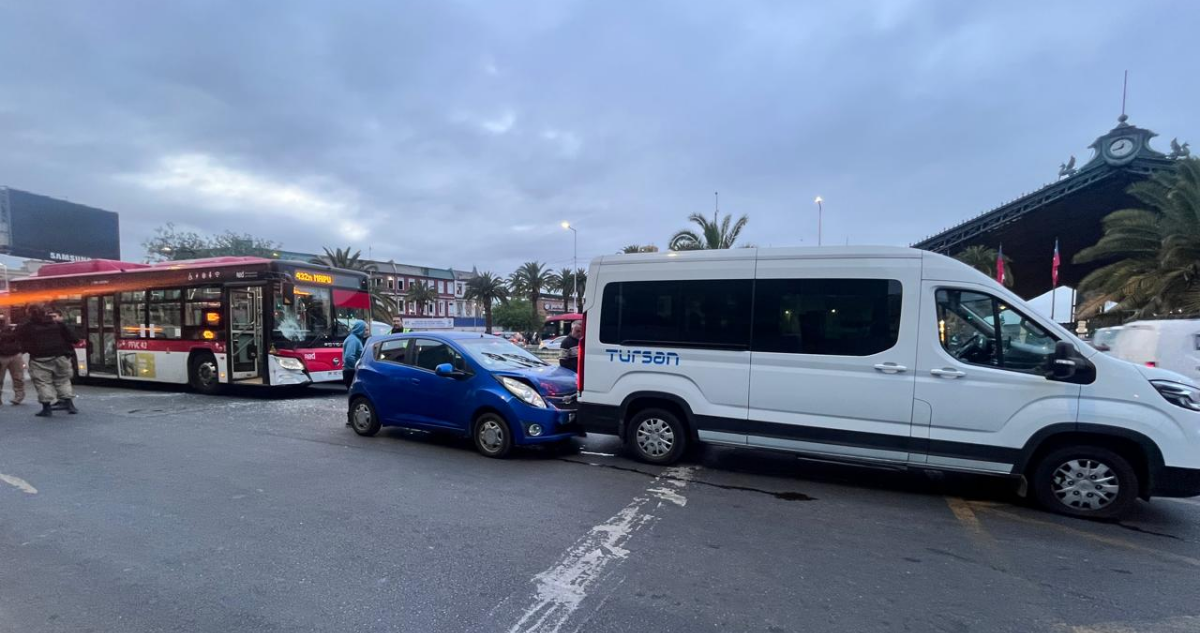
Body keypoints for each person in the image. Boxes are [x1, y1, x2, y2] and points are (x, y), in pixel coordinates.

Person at [17, 305, 79, 417]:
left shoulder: (27, 327)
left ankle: (47, 408)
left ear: (29, 314)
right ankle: (69, 405)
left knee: (42, 383)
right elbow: (74, 339)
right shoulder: (57, 324)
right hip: (60, 357)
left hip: (39, 359)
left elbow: (20, 342)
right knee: (63, 380)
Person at [0, 314, 25, 405]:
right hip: (3, 355)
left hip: (14, 354)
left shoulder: (14, 329)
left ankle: (19, 396)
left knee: (18, 377)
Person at [342, 319, 367, 388]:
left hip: (351, 371)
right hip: (351, 372)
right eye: (365, 329)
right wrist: (357, 368)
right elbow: (349, 357)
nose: (366, 332)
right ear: (360, 329)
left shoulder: (355, 338)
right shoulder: (353, 340)